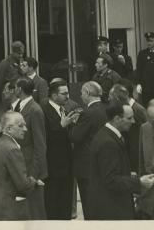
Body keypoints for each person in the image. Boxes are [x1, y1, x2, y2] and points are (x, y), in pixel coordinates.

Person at [88, 103, 154, 220]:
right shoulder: (108, 143)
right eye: (129, 118)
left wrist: (127, 174)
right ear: (117, 119)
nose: (133, 121)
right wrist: (139, 182)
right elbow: (111, 180)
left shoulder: (107, 135)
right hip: (111, 209)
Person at [0, 111, 38, 220]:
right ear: (9, 129)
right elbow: (23, 185)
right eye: (21, 126)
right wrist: (33, 181)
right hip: (10, 211)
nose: (25, 129)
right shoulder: (12, 149)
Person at [68, 81, 106, 219]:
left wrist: (72, 123)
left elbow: (75, 137)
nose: (81, 95)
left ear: (88, 93)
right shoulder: (106, 108)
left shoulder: (88, 113)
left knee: (89, 205)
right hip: (102, 162)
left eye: (82, 93)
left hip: (86, 165)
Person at [41, 79, 76, 220]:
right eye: (64, 94)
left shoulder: (65, 109)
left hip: (67, 165)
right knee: (54, 204)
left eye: (68, 93)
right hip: (53, 166)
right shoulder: (44, 111)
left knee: (65, 203)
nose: (67, 96)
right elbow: (45, 138)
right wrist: (62, 126)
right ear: (54, 96)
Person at [12, 78, 47, 219]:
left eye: (15, 87)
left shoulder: (35, 110)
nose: (13, 90)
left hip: (30, 166)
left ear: (19, 89)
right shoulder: (18, 106)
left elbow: (40, 144)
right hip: (20, 163)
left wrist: (34, 173)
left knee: (34, 210)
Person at [109, 81, 146, 172]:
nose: (109, 100)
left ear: (117, 98)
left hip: (135, 157)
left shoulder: (137, 110)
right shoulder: (123, 109)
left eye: (110, 98)